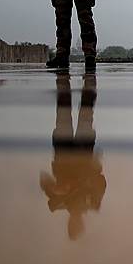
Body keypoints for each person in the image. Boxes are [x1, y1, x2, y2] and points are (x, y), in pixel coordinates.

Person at [39, 72, 106, 240]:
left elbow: (43, 179)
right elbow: (101, 180)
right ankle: (89, 84)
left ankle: (64, 83)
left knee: (63, 113)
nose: (75, 222)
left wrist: (57, 188)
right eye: (77, 226)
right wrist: (86, 181)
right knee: (85, 114)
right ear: (82, 224)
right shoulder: (92, 202)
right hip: (83, 154)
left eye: (72, 226)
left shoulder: (57, 202)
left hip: (63, 155)